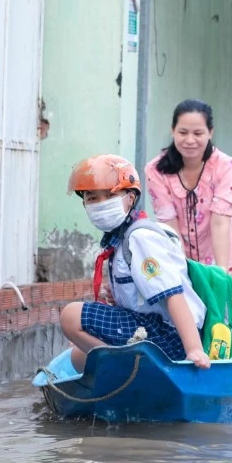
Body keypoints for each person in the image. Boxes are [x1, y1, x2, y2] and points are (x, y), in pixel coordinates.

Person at [60, 154, 211, 372]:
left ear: (130, 198)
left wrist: (194, 349)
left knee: (70, 316)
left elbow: (172, 295)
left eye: (109, 196)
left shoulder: (140, 237)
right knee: (78, 357)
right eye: (92, 198)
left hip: (171, 335)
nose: (100, 204)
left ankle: (132, 371)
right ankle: (128, 370)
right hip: (152, 327)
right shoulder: (120, 239)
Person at [145, 99, 232, 303]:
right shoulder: (155, 170)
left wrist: (221, 274)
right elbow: (169, 225)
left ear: (210, 133)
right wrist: (184, 273)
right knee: (186, 325)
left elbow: (220, 222)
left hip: (222, 256)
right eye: (183, 132)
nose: (190, 140)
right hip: (178, 260)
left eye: (198, 133)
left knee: (221, 325)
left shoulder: (226, 166)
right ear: (173, 131)